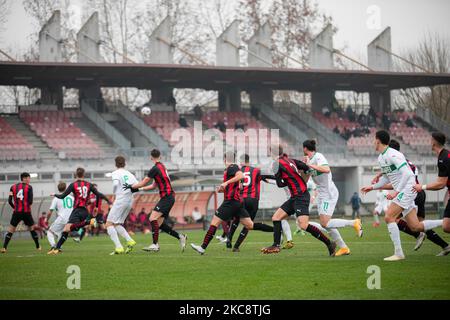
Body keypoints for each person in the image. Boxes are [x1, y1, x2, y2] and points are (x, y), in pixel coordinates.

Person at [361, 130, 443, 261]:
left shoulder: (393, 154)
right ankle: (445, 223)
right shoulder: (381, 158)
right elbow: (386, 179)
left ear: (378, 140)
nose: (372, 142)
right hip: (403, 190)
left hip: (407, 189)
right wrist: (372, 187)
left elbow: (408, 174)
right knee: (415, 226)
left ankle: (399, 253)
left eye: (373, 140)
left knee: (389, 217)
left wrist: (397, 192)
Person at [190, 151, 273, 255]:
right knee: (250, 225)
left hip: (230, 202)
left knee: (214, 223)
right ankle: (277, 230)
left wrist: (225, 183)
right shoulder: (233, 168)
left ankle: (202, 247)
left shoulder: (232, 167)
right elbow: (239, 186)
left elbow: (241, 176)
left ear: (225, 159)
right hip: (237, 202)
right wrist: (223, 189)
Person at [261, 145, 336, 256]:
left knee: (303, 225)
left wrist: (269, 177)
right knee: (276, 217)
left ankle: (329, 243)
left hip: (301, 196)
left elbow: (280, 184)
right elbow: (306, 168)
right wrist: (297, 178)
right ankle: (276, 245)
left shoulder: (276, 164)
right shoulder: (290, 160)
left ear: (272, 153)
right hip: (295, 197)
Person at [382, 139, 449, 255]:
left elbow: (396, 182)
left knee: (393, 219)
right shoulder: (405, 161)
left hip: (412, 194)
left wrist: (378, 186)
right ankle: (445, 245)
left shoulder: (396, 164)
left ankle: (418, 234)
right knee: (421, 224)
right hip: (419, 193)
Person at [302, 140, 363, 257]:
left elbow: (326, 169)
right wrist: (304, 168)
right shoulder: (309, 161)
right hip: (321, 194)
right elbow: (305, 180)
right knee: (326, 224)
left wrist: (309, 165)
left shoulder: (318, 156)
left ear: (305, 148)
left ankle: (354, 222)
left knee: (325, 223)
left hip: (329, 193)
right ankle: (344, 248)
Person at [126, 149, 187, 252]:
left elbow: (143, 182)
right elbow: (154, 186)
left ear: (151, 157)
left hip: (167, 197)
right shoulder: (162, 166)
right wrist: (139, 189)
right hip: (169, 197)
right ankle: (180, 237)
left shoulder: (154, 169)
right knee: (159, 224)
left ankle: (155, 245)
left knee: (152, 218)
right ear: (160, 156)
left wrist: (132, 187)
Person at [47, 167, 112, 255]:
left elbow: (62, 196)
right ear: (83, 174)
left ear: (76, 174)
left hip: (77, 210)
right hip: (85, 211)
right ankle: (57, 248)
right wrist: (97, 206)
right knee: (68, 229)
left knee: (67, 229)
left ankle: (89, 222)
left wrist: (54, 194)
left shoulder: (73, 185)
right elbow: (98, 194)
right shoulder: (89, 185)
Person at [226, 154, 275, 252]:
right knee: (248, 224)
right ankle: (236, 246)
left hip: (241, 199)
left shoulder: (238, 171)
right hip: (253, 200)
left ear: (241, 162)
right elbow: (267, 177)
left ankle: (229, 238)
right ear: (249, 160)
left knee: (237, 219)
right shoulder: (256, 171)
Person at [413, 131, 450, 237]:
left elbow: (440, 184)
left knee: (446, 226)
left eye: (430, 140)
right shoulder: (445, 154)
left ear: (434, 142)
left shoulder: (443, 158)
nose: (429, 142)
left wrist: (422, 187)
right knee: (446, 226)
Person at [106, 156, 139, 255]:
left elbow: (116, 184)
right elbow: (137, 187)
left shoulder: (116, 173)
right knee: (116, 224)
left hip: (120, 200)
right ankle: (130, 240)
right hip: (129, 201)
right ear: (124, 163)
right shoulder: (129, 174)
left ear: (115, 164)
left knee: (108, 224)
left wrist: (114, 194)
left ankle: (118, 247)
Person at [1, 173, 41, 253]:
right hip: (26, 212)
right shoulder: (29, 187)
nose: (29, 180)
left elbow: (9, 201)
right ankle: (38, 247)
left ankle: (4, 248)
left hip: (16, 212)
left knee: (11, 230)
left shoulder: (12, 187)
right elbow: (30, 201)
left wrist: (15, 207)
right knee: (32, 229)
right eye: (28, 178)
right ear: (25, 178)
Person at [46, 182, 74, 252]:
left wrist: (47, 219)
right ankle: (59, 247)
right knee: (61, 233)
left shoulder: (56, 198)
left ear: (58, 189)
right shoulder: (72, 198)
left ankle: (53, 246)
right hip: (70, 219)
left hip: (62, 218)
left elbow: (50, 211)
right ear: (66, 188)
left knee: (50, 232)